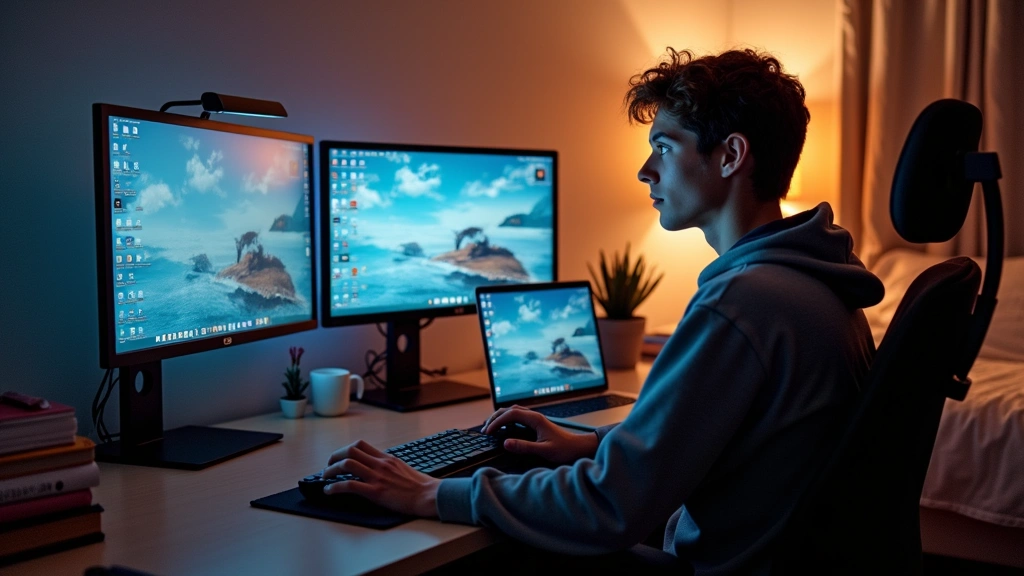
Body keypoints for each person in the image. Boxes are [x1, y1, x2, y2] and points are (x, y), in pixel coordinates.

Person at [319, 48, 884, 574]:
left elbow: (610, 506)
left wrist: (427, 492)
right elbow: (735, 447)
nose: (645, 170)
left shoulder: (744, 303)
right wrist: (595, 444)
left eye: (664, 146)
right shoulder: (815, 280)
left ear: (731, 155)